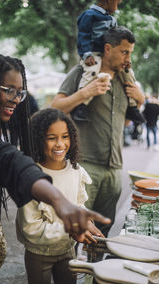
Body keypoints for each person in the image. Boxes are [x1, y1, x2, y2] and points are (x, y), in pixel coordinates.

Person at [0, 54, 111, 271]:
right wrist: (60, 201)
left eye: (19, 93)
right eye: (8, 89)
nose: (15, 98)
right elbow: (10, 161)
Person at [52, 26, 145, 237]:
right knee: (75, 229)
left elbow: (127, 123)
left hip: (114, 168)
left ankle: (93, 269)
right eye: (124, 52)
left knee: (103, 229)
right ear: (108, 48)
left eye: (130, 52)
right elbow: (55, 107)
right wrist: (86, 92)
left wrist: (139, 100)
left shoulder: (126, 79)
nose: (128, 58)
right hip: (85, 164)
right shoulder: (84, 72)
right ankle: (71, 269)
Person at [16, 108, 104, 284]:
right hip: (39, 255)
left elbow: (79, 204)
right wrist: (72, 228)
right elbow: (30, 228)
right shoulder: (31, 176)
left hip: (68, 251)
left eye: (65, 136)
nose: (60, 144)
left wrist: (86, 221)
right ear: (37, 140)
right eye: (51, 138)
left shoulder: (76, 171)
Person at [73, 0, 145, 123]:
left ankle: (132, 107)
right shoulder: (89, 15)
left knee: (129, 73)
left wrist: (123, 57)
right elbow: (83, 36)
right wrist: (86, 54)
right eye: (117, 2)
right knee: (92, 71)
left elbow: (117, 40)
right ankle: (82, 106)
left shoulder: (111, 19)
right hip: (94, 53)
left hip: (108, 54)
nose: (117, 7)